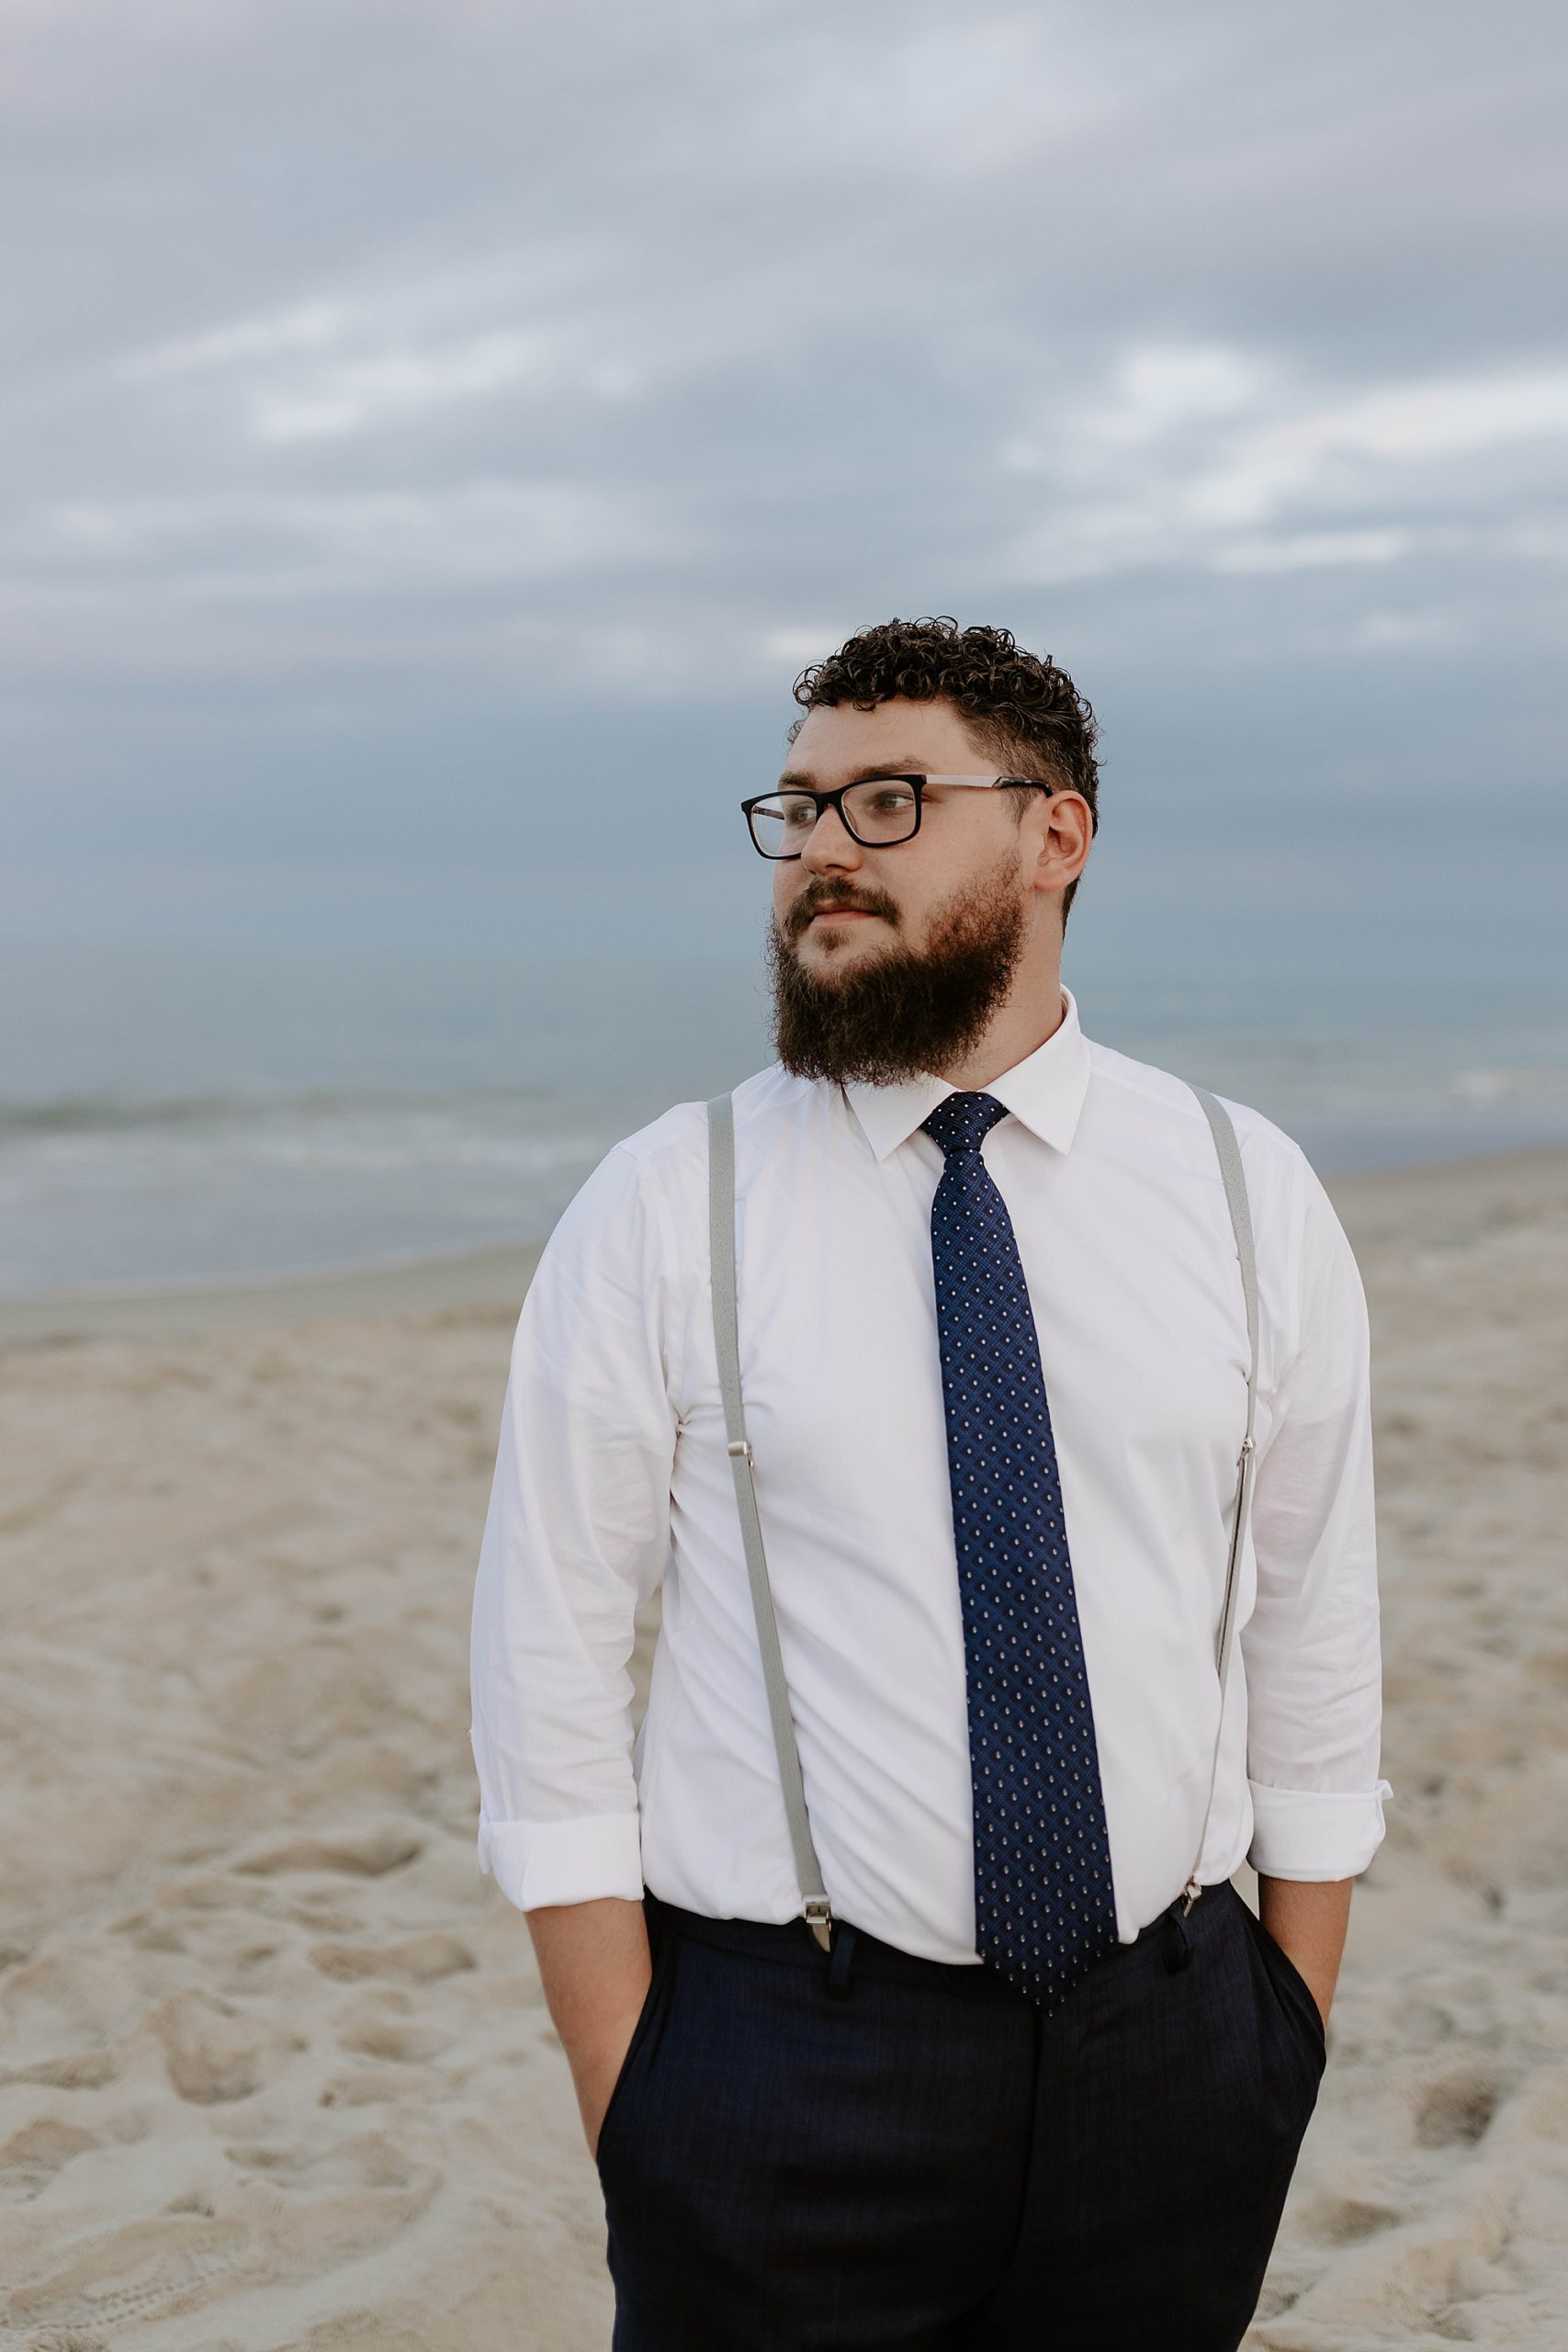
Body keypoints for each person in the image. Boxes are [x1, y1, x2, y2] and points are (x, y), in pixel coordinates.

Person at [468, 617, 1389, 2350]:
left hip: (1179, 2050)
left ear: (1058, 836)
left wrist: (1285, 2029)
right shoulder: (673, 1202)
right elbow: (549, 1671)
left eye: (889, 800)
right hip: (780, 2059)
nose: (822, 846)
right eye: (800, 805)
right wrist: (637, 2101)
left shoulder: (1244, 1187)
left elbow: (1315, 1631)